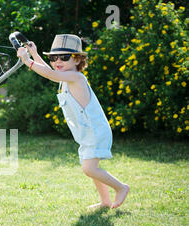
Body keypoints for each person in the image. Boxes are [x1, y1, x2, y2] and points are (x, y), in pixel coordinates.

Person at [17, 34, 129, 209]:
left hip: (95, 131)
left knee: (89, 169)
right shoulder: (64, 76)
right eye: (54, 57)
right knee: (91, 168)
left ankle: (121, 187)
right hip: (85, 133)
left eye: (65, 57)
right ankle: (105, 201)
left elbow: (50, 74)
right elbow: (50, 71)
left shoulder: (76, 77)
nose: (57, 61)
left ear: (77, 60)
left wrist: (27, 61)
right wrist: (34, 54)